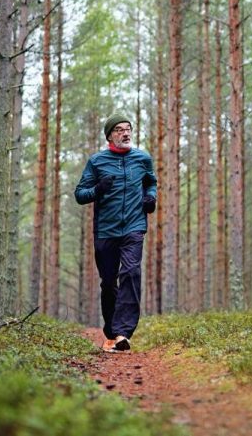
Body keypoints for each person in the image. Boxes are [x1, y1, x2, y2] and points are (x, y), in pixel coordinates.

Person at [75, 114, 157, 353]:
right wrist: (98, 189)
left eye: (128, 129)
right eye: (120, 130)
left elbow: (150, 182)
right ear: (110, 135)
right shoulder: (97, 162)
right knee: (109, 282)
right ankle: (111, 333)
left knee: (131, 272)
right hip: (106, 230)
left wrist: (150, 197)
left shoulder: (142, 158)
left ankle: (123, 332)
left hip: (134, 226)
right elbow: (80, 194)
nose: (125, 133)